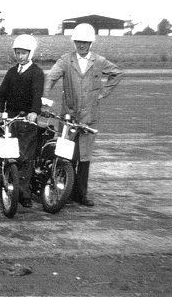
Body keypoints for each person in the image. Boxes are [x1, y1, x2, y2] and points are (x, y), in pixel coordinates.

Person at [43, 23, 123, 206]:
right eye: (78, 42)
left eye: (85, 42)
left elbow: (117, 74)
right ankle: (65, 191)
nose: (81, 46)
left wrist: (102, 93)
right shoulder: (65, 60)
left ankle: (81, 194)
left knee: (85, 156)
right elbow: (51, 77)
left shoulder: (99, 61)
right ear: (74, 42)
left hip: (89, 116)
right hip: (68, 115)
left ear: (91, 43)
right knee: (65, 153)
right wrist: (44, 98)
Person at [0, 34, 44, 208]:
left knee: (26, 156)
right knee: (9, 152)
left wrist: (34, 112)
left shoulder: (37, 73)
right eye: (17, 53)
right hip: (11, 117)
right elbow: (1, 93)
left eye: (23, 53)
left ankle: (23, 192)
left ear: (30, 54)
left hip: (27, 119)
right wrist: (0, 111)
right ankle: (6, 183)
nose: (20, 56)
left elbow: (37, 95)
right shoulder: (11, 72)